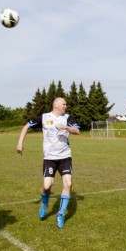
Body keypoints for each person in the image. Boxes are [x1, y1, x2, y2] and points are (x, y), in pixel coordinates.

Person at [16, 97, 80, 229]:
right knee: (47, 186)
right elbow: (26, 126)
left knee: (68, 183)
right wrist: (20, 143)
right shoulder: (44, 117)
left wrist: (65, 127)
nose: (65, 106)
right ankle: (44, 204)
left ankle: (60, 214)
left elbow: (77, 131)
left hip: (65, 157)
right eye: (64, 104)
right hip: (49, 158)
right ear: (56, 105)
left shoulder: (68, 118)